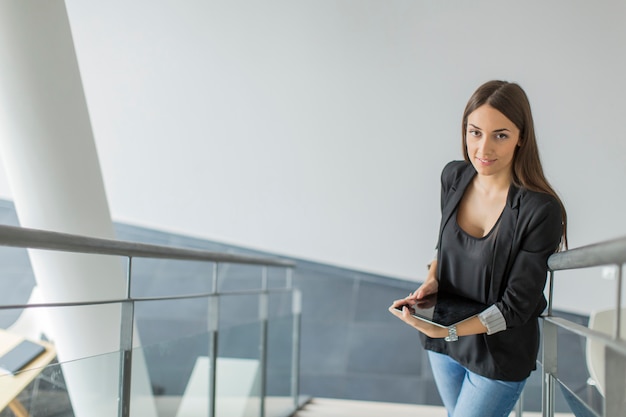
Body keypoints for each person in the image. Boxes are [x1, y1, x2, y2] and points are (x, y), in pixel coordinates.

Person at [389, 80, 567, 417]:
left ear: (521, 138)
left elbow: (515, 307)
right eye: (475, 132)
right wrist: (432, 280)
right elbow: (444, 245)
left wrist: (450, 330)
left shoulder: (540, 210)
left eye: (500, 135)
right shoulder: (453, 177)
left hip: (498, 355)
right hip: (443, 344)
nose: (483, 149)